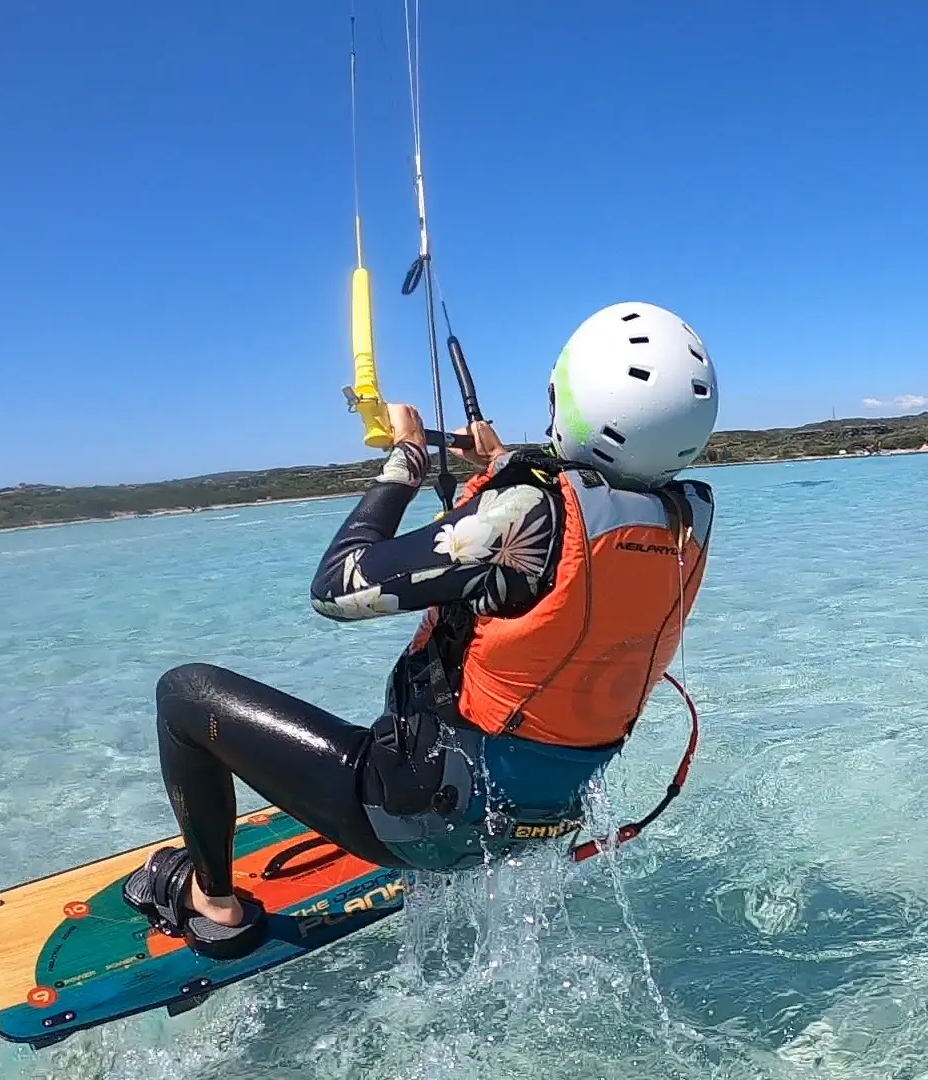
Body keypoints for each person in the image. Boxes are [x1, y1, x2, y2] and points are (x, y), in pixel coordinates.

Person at [121, 302, 720, 958]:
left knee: (184, 696)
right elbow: (567, 526)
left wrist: (406, 460)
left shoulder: (520, 521)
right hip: (543, 815)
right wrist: (500, 462)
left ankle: (216, 907)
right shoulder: (680, 526)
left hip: (427, 814)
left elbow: (338, 586)